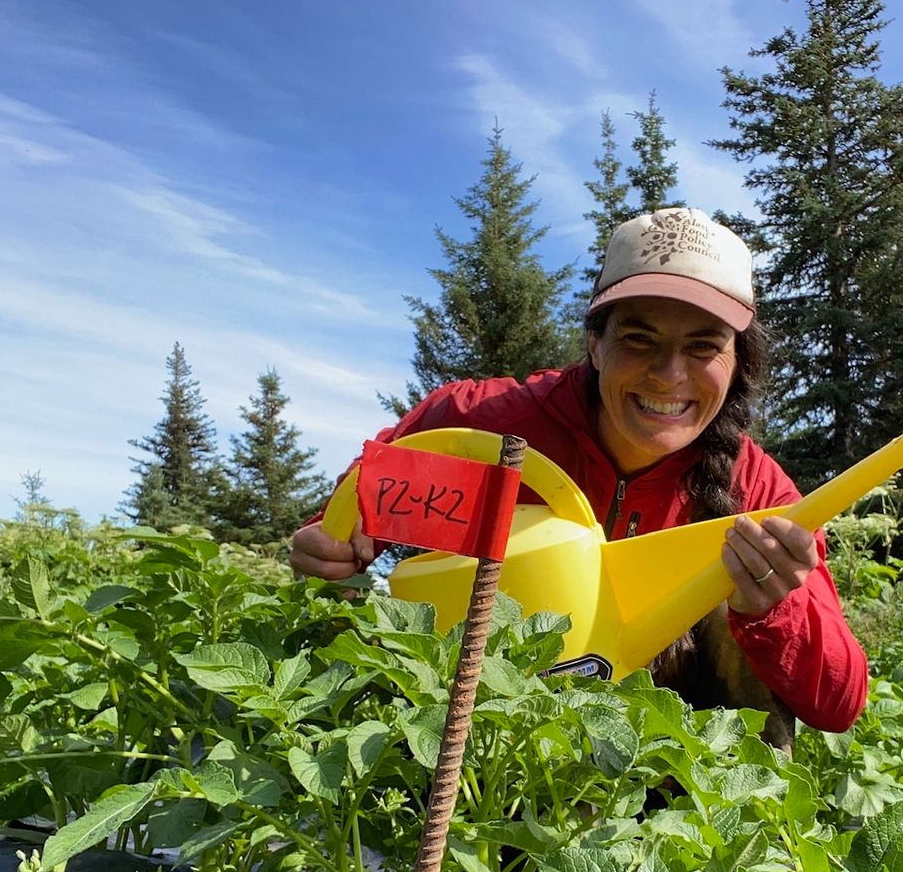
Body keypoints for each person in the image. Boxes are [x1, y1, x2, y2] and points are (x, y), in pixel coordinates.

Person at [288, 207, 868, 741]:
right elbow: (342, 527)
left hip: (668, 775)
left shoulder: (759, 493)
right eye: (639, 339)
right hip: (475, 747)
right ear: (594, 343)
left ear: (737, 360)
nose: (669, 375)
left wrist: (772, 608)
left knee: (743, 580)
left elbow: (838, 704)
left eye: (702, 347)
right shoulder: (480, 427)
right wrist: (327, 551)